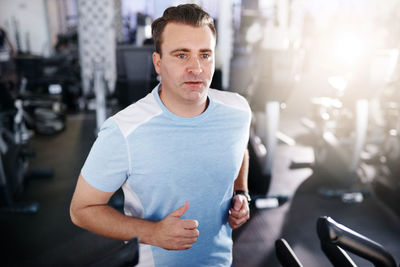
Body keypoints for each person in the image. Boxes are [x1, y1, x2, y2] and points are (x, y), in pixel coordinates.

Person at [70, 4, 251, 266]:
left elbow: (239, 147)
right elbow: (82, 210)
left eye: (204, 55)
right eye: (181, 55)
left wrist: (241, 193)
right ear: (158, 62)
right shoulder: (124, 130)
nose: (196, 68)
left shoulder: (237, 111)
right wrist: (152, 232)